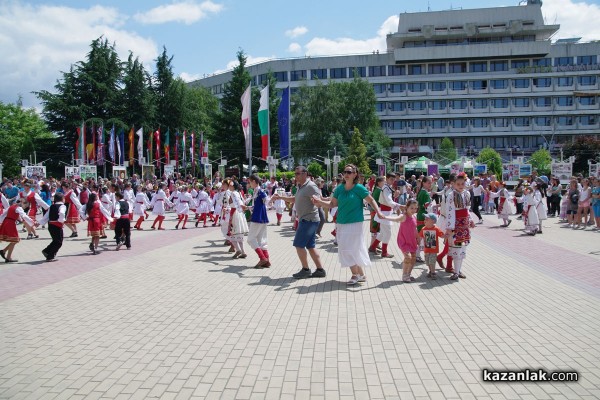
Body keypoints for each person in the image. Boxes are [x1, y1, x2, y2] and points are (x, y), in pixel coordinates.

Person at [313, 164, 383, 285]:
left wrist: (379, 212)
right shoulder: (339, 188)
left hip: (355, 223)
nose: (346, 174)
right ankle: (361, 274)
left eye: (349, 172)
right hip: (341, 223)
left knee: (351, 249)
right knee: (346, 249)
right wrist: (319, 202)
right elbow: (332, 204)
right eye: (345, 172)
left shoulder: (359, 188)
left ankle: (355, 275)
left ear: (355, 174)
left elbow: (371, 200)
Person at [272, 166, 326, 279]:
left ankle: (306, 270)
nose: (295, 176)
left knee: (298, 245)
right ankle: (320, 270)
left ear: (305, 174)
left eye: (298, 173)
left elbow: (319, 202)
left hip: (309, 220)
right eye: (295, 173)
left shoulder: (311, 186)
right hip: (306, 220)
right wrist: (280, 197)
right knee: (310, 246)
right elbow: (295, 199)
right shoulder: (300, 186)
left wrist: (316, 203)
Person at [445, 173, 474, 280]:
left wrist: (470, 220)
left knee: (462, 247)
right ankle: (456, 271)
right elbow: (450, 211)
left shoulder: (467, 193)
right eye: (458, 184)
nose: (461, 186)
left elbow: (467, 209)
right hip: (456, 226)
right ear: (454, 184)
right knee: (456, 247)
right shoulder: (451, 195)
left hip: (464, 225)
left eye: (462, 183)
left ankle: (458, 270)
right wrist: (450, 227)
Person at [384, 199, 419, 282]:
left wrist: (419, 237)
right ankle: (404, 275)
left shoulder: (414, 216)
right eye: (411, 208)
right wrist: (385, 217)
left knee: (413, 258)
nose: (413, 210)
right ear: (406, 207)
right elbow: (396, 219)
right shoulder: (404, 216)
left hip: (412, 241)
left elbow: (415, 228)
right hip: (403, 241)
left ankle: (408, 274)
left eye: (415, 208)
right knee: (408, 257)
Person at [370, 173, 401, 258]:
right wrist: (399, 206)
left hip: (385, 212)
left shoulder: (387, 187)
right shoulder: (386, 187)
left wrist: (396, 202)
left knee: (384, 233)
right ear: (387, 178)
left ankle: (373, 247)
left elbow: (388, 200)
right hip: (384, 212)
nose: (393, 181)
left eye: (394, 179)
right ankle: (384, 252)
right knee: (388, 233)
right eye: (391, 179)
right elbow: (389, 201)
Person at [244, 175, 270, 268]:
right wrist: (247, 207)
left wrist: (269, 202)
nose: (249, 183)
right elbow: (258, 205)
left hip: (258, 217)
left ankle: (263, 258)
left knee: (250, 239)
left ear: (254, 181)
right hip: (261, 217)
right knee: (261, 239)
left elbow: (266, 200)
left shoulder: (259, 190)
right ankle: (267, 261)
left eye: (250, 181)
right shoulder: (256, 191)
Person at [39, 192, 66, 262]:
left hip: (50, 225)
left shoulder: (52, 206)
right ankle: (50, 256)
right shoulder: (62, 206)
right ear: (62, 199)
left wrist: (40, 223)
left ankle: (46, 251)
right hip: (57, 225)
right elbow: (62, 213)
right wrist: (61, 220)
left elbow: (46, 216)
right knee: (59, 242)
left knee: (56, 240)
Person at [418, 213, 445, 279]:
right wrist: (418, 242)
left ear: (433, 221)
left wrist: (448, 234)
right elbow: (419, 237)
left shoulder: (436, 228)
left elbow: (442, 235)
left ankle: (433, 273)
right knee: (427, 262)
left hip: (433, 249)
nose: (425, 220)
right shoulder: (423, 228)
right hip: (426, 249)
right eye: (425, 219)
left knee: (432, 261)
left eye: (427, 219)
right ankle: (430, 271)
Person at [228, 181, 249, 258]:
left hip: (235, 213)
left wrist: (241, 206)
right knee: (239, 234)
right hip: (239, 213)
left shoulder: (233, 193)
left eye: (230, 185)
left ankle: (238, 249)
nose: (229, 186)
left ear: (233, 186)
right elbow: (241, 201)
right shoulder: (238, 193)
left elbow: (238, 202)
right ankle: (242, 251)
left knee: (233, 232)